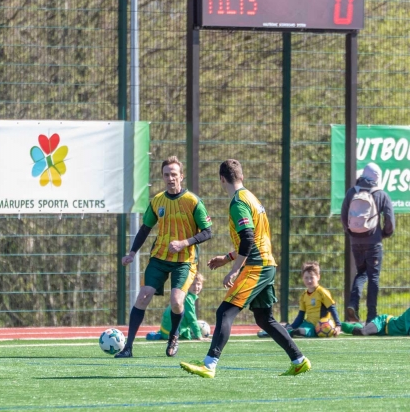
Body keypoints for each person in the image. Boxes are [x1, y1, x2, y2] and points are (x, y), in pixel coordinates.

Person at [180, 159, 311, 379]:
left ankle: (209, 364)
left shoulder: (238, 202)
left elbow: (248, 238)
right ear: (241, 176)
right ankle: (299, 360)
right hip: (266, 263)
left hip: (256, 266)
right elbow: (255, 238)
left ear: (222, 179)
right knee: (263, 318)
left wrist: (234, 269)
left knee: (225, 312)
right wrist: (228, 257)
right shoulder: (251, 197)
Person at [115, 156, 212, 359]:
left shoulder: (193, 202)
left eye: (174, 174)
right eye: (166, 175)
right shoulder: (157, 201)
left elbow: (207, 232)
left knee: (177, 302)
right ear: (163, 177)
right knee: (142, 297)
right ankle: (128, 347)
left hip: (184, 261)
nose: (170, 178)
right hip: (159, 258)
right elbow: (145, 228)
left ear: (181, 176)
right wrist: (132, 253)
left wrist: (184, 243)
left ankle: (173, 337)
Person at [341, 161, 395, 324]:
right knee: (373, 277)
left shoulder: (352, 192)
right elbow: (390, 219)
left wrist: (351, 232)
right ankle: (372, 315)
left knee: (361, 273)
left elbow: (344, 216)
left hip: (355, 242)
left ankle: (352, 304)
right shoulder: (381, 194)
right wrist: (384, 233)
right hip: (374, 242)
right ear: (377, 177)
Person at [258, 261, 341, 337]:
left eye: (311, 277)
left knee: (298, 332)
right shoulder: (304, 296)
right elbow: (300, 317)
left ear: (318, 277)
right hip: (308, 325)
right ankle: (276, 332)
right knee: (293, 329)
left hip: (322, 326)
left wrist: (338, 325)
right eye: (306, 278)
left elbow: (332, 308)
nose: (309, 280)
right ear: (302, 278)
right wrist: (291, 327)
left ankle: (280, 333)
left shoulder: (322, 292)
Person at [146, 272, 205, 341]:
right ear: (187, 285)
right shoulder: (188, 298)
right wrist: (199, 336)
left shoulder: (183, 295)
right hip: (173, 333)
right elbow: (192, 319)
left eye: (198, 284)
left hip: (165, 331)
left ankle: (159, 335)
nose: (196, 287)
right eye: (192, 284)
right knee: (190, 335)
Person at [341, 307, 410, 336]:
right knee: (362, 332)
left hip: (385, 333)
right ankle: (340, 325)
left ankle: (360, 325)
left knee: (364, 330)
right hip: (383, 323)